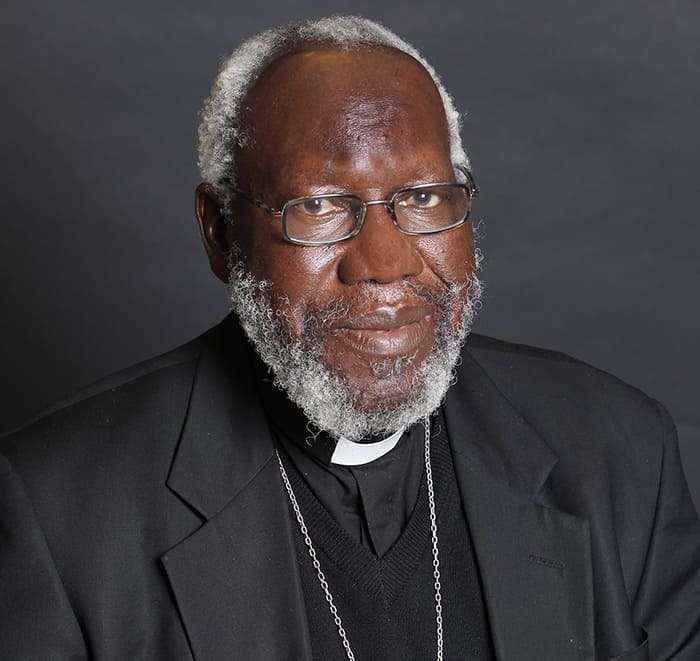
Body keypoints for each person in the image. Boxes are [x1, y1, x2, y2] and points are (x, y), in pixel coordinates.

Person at [1, 15, 698, 661]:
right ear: (220, 232)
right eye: (322, 206)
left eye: (424, 197)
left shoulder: (620, 455)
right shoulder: (58, 517)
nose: (386, 264)